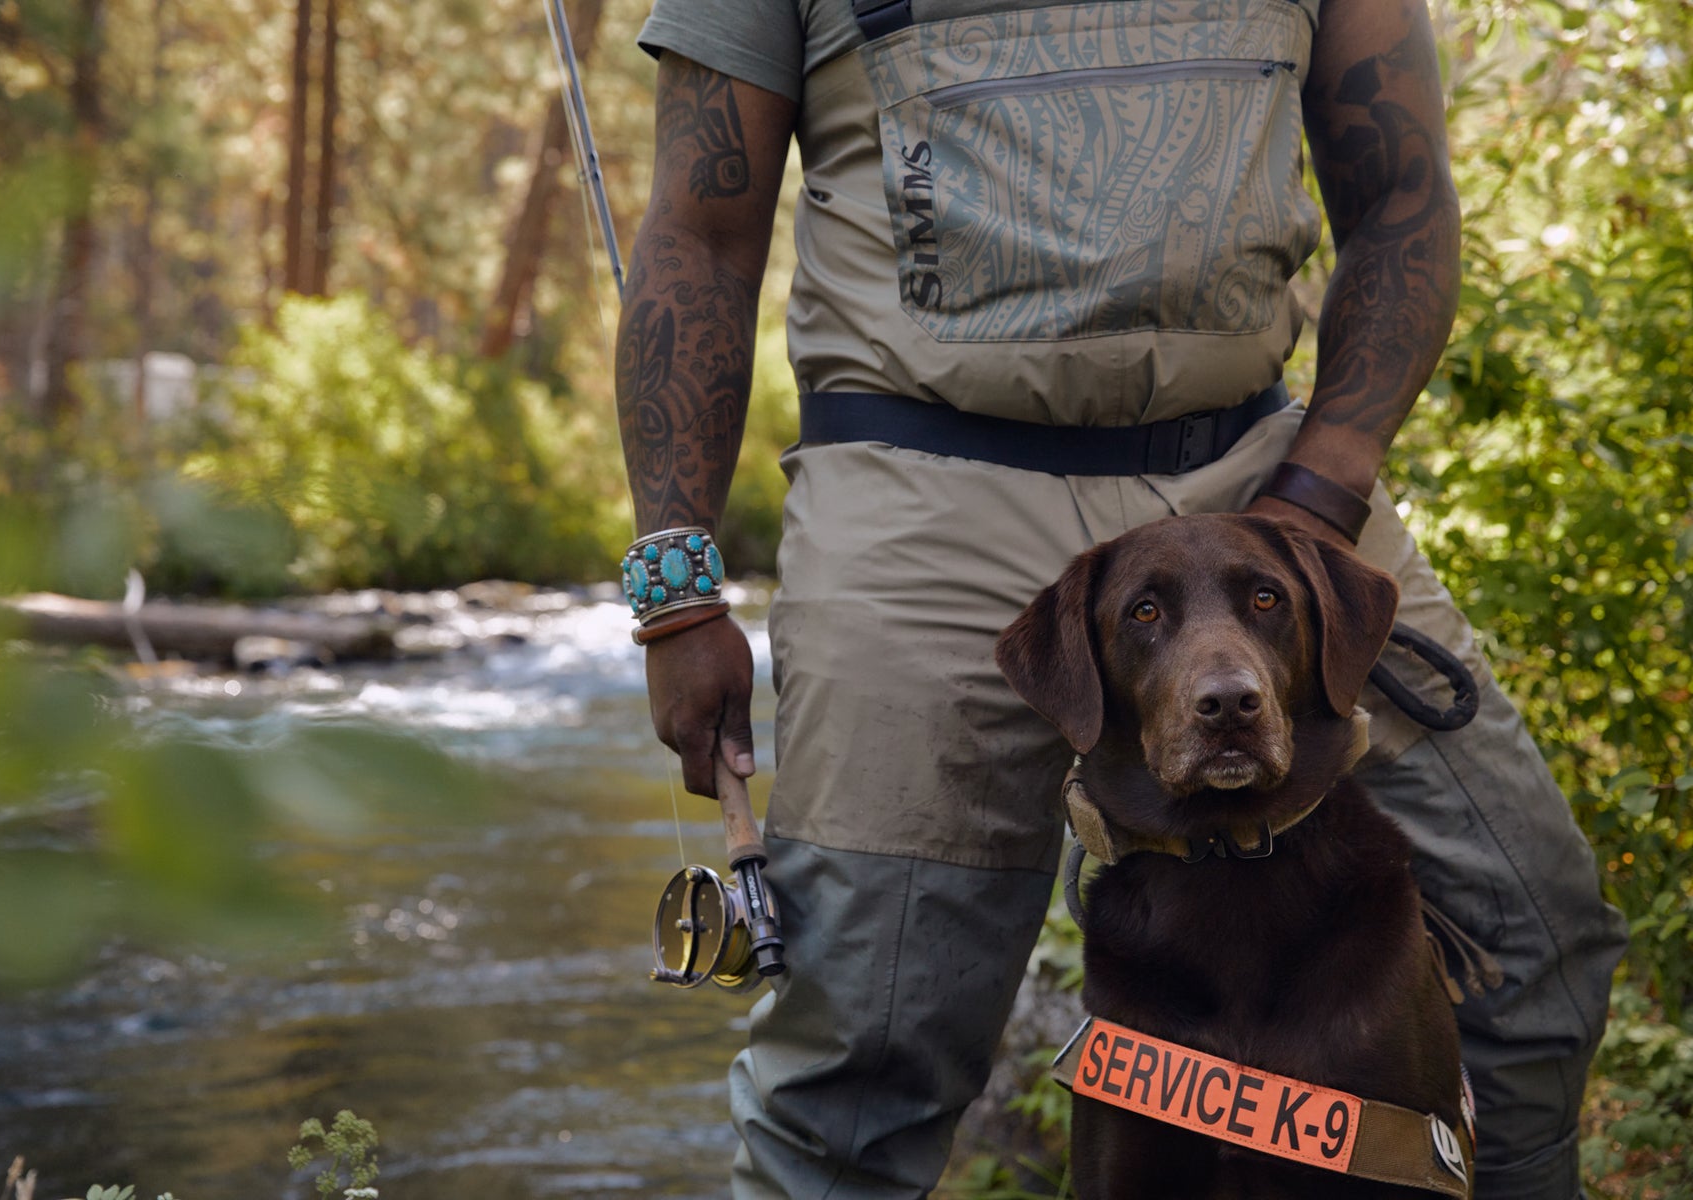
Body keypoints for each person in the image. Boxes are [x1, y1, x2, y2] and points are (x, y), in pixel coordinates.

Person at [612, 0, 1629, 1196]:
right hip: (918, 494)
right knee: (854, 1074)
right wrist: (675, 592)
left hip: (1257, 484)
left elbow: (1401, 200)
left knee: (1531, 944)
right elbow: (701, 236)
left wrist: (1324, 491)